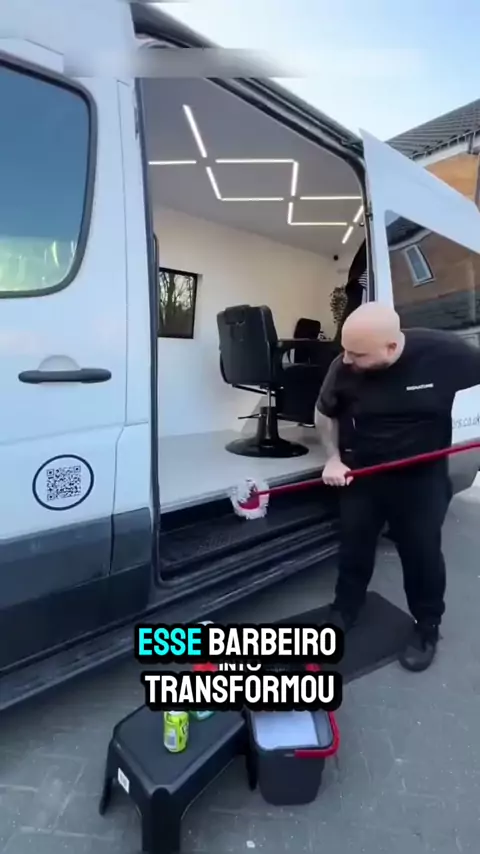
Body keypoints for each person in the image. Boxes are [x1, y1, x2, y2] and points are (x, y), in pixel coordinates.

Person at [315, 302, 480, 671]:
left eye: (358, 354)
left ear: (391, 347)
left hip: (422, 477)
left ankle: (427, 626)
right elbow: (324, 412)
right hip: (363, 472)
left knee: (421, 554)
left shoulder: (446, 354)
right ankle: (344, 610)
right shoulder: (344, 365)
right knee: (354, 546)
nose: (346, 360)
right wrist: (333, 458)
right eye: (345, 350)